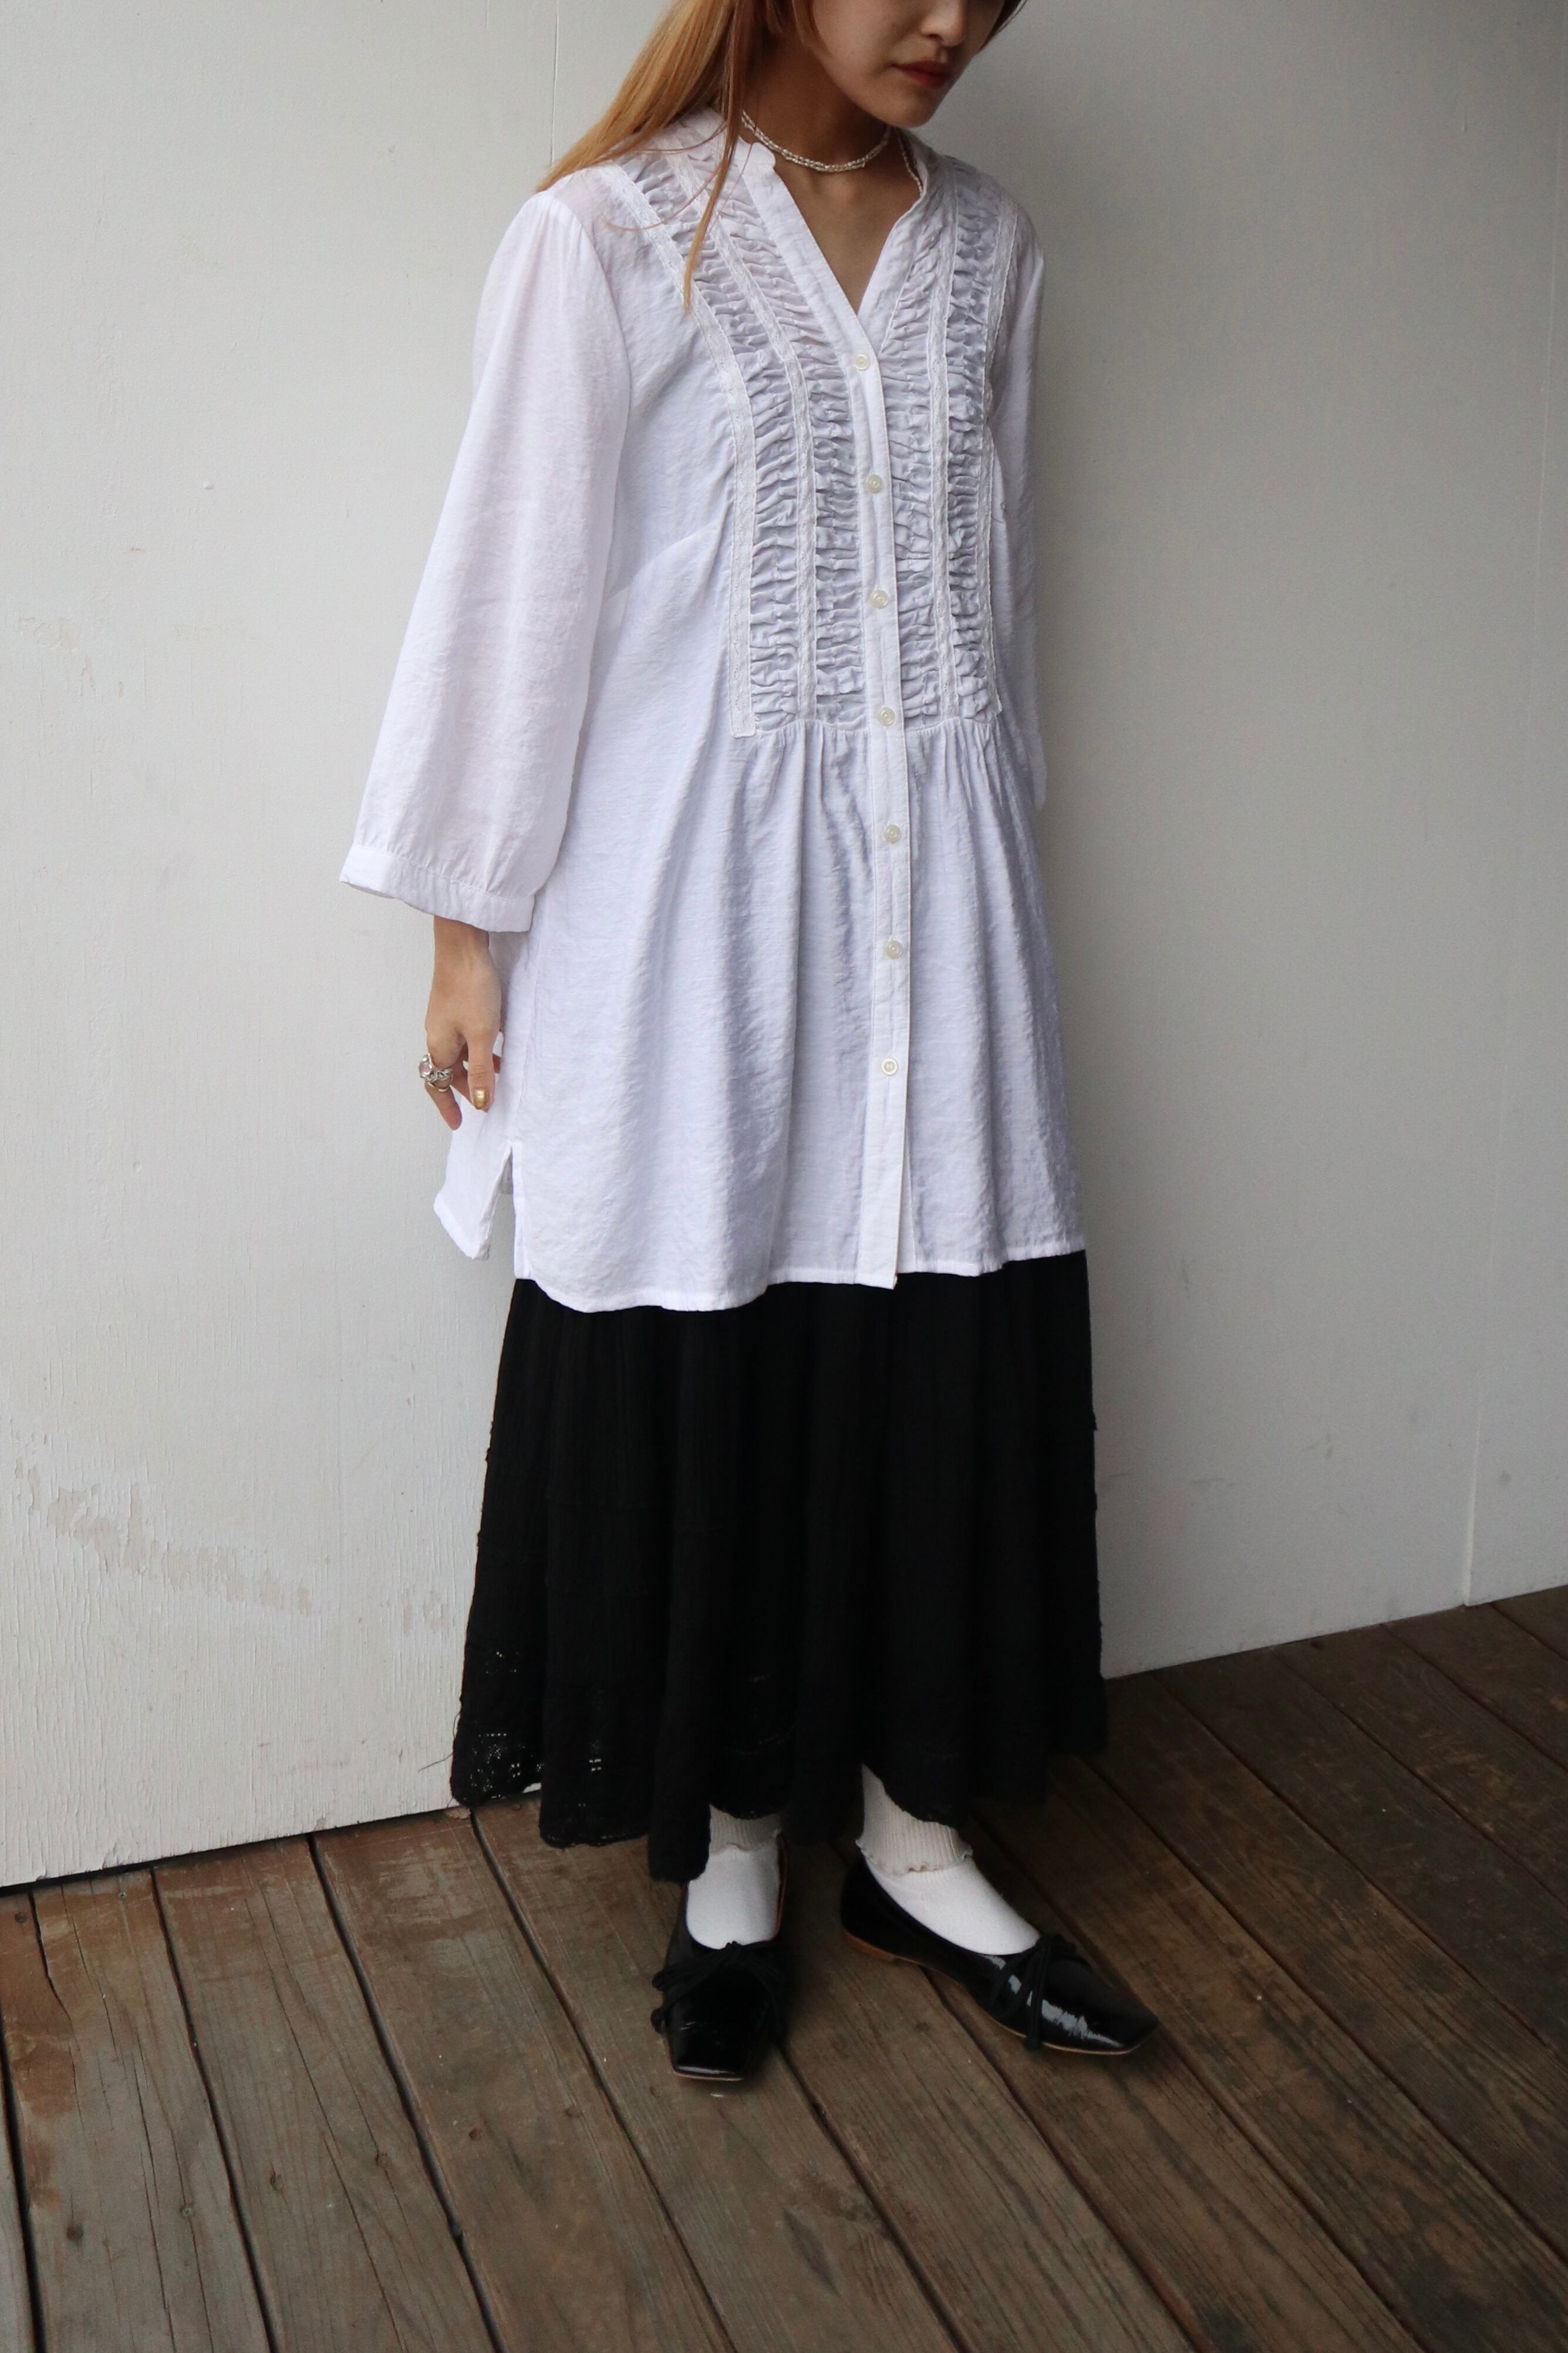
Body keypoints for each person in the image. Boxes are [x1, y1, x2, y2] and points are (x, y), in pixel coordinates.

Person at [343, 0, 1157, 2082]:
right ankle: (729, 1866)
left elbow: (996, 603)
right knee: (725, 1333)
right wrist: (463, 936)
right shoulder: (607, 240)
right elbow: (511, 591)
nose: (954, 20)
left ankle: (916, 1839)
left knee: (936, 1333)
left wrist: (990, 855)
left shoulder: (994, 248)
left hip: (940, 914)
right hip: (693, 920)